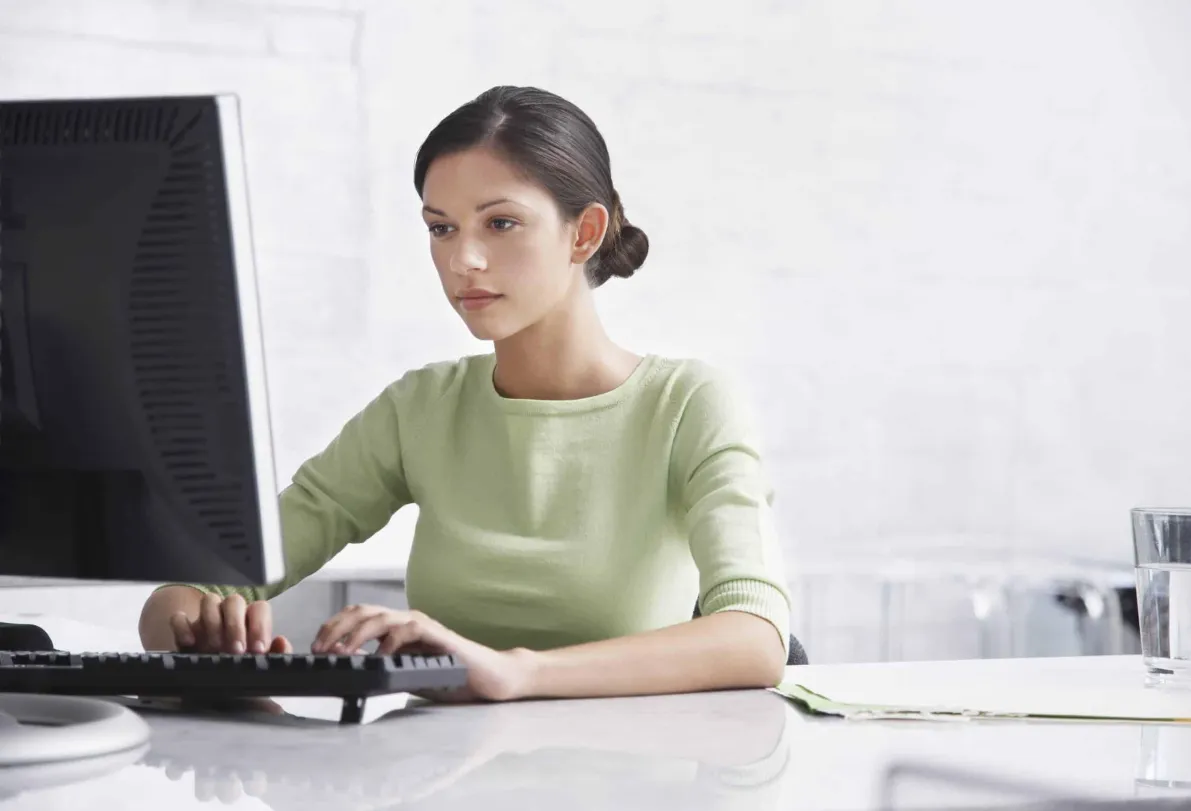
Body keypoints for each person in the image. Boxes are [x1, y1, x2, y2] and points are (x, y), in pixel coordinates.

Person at [138, 85, 793, 702]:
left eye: (500, 223)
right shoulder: (421, 408)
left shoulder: (687, 404)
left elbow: (757, 638)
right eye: (441, 227)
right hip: (447, 773)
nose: (463, 261)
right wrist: (198, 628)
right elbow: (191, 588)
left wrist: (514, 671)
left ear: (584, 232)